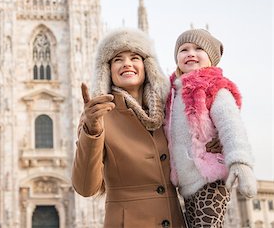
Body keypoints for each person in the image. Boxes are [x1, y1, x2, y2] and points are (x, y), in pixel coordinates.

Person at [72, 28, 186, 227]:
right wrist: (91, 132)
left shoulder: (169, 109)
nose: (127, 63)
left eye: (135, 57)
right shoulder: (98, 115)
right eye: (117, 59)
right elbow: (85, 187)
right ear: (107, 71)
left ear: (147, 66)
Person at [164, 29, 256, 228]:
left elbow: (231, 125)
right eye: (184, 49)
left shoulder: (214, 87)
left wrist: (240, 162)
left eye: (198, 49)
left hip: (211, 179)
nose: (190, 53)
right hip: (187, 184)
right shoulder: (173, 93)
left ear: (211, 59)